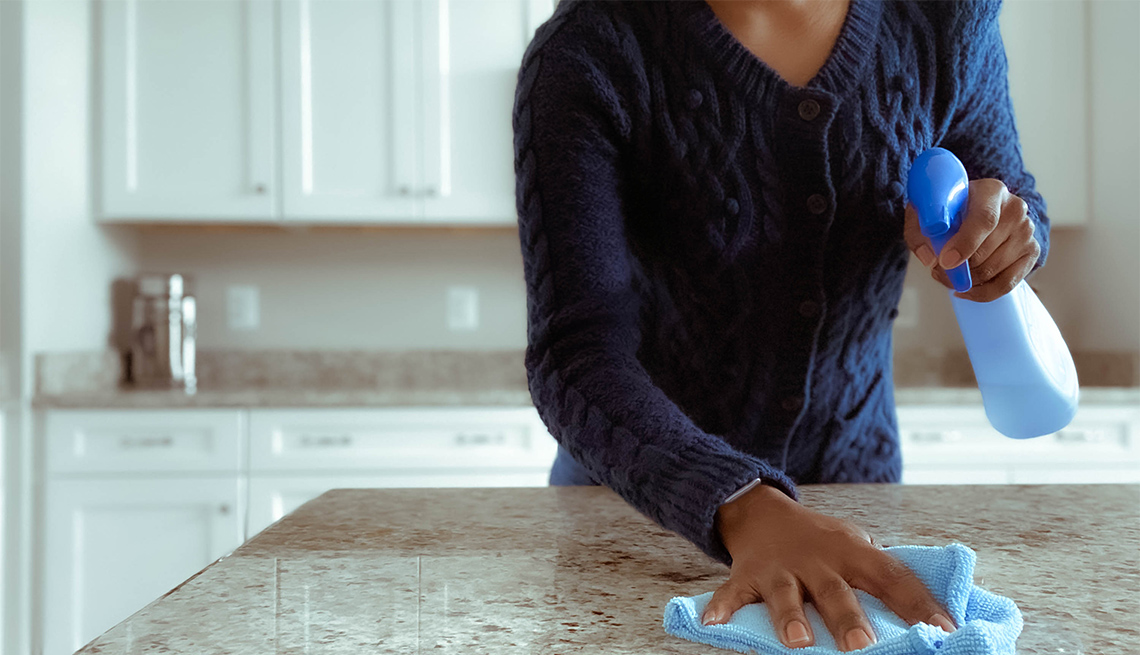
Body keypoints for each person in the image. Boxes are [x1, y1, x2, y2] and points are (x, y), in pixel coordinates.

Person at [512, 0, 1047, 651]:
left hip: (859, 509)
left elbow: (1010, 192)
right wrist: (742, 503)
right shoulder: (591, 49)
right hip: (638, 521)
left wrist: (1005, 240)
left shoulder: (947, 17)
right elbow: (575, 354)